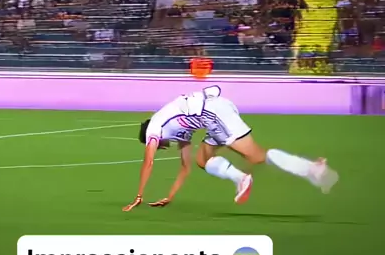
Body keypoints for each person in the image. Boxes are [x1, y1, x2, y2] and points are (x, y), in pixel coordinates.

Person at [122, 85, 338, 211]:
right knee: (203, 160)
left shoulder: (154, 129)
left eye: (157, 146)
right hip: (213, 113)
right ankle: (243, 178)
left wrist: (138, 197)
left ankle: (310, 169)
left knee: (255, 156)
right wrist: (170, 196)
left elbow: (148, 163)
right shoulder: (178, 129)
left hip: (213, 113)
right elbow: (186, 166)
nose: (160, 147)